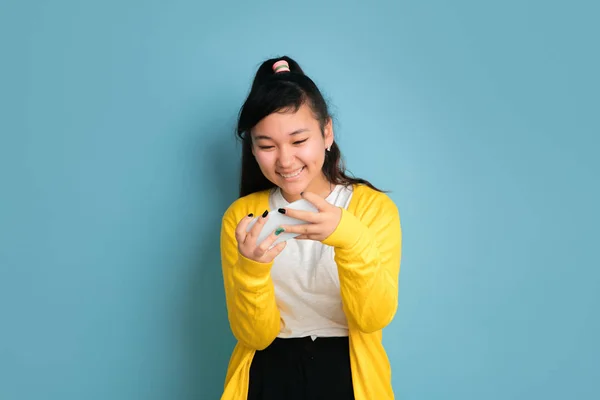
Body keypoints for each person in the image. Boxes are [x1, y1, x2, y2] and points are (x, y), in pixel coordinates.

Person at [219, 56, 402, 400]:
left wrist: (350, 239)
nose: (285, 161)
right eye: (267, 146)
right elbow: (254, 336)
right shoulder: (242, 216)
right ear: (253, 150)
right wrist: (252, 269)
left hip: (347, 374)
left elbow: (372, 318)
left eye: (299, 140)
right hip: (267, 374)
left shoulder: (372, 208)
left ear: (326, 133)